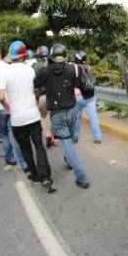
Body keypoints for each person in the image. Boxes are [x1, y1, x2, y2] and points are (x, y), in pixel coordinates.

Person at [0, 41, 54, 192]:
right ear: (24, 55)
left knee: (25, 148)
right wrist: (34, 100)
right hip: (32, 115)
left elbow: (0, 95)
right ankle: (46, 176)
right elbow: (35, 90)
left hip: (17, 119)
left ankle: (35, 175)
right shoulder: (29, 70)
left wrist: (6, 106)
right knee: (39, 146)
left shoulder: (5, 72)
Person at [34, 43, 90, 189]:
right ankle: (69, 157)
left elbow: (35, 83)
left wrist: (47, 66)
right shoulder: (73, 69)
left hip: (58, 115)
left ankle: (82, 178)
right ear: (66, 56)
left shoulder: (45, 71)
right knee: (71, 142)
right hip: (73, 112)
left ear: (51, 57)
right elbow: (84, 86)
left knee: (68, 145)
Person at [0, 43, 28, 171]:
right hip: (11, 105)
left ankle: (11, 158)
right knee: (16, 134)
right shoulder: (8, 67)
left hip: (0, 107)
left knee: (4, 134)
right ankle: (23, 160)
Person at [72, 50, 102, 144]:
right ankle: (98, 137)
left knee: (77, 117)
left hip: (79, 96)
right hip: (91, 96)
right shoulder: (89, 67)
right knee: (93, 117)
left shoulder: (74, 67)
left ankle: (75, 136)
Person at [33, 45, 57, 148]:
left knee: (43, 116)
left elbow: (34, 84)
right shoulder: (53, 64)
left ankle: (48, 135)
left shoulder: (35, 66)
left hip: (42, 95)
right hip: (54, 94)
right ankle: (54, 136)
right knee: (52, 115)